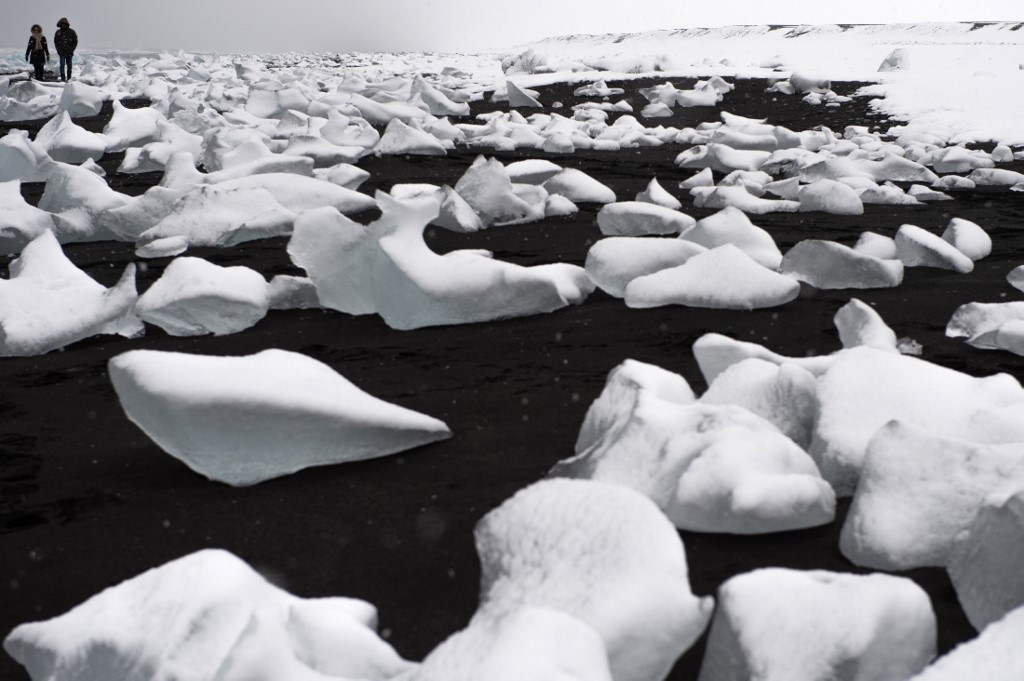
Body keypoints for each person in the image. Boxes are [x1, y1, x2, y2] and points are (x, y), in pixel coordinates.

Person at [54, 17, 78, 82]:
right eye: (62, 24)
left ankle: (69, 78)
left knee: (69, 66)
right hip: (61, 52)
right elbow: (56, 42)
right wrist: (58, 50)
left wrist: (72, 49)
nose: (63, 25)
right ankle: (63, 78)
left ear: (66, 24)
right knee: (62, 65)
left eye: (64, 24)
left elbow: (75, 41)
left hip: (69, 52)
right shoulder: (58, 32)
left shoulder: (71, 32)